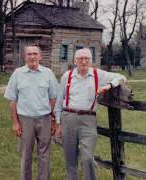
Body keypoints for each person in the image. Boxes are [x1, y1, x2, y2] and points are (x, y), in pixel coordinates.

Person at [54, 48, 126, 180]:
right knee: (70, 159)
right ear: (75, 61)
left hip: (88, 120)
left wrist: (109, 86)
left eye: (86, 58)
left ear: (91, 61)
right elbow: (59, 101)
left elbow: (122, 77)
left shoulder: (98, 74)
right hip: (68, 118)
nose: (83, 61)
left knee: (87, 158)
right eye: (80, 58)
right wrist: (58, 123)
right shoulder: (67, 76)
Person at [4, 45, 58, 180]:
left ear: (40, 56)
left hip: (44, 119)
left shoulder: (48, 73)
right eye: (29, 54)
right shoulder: (17, 73)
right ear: (24, 57)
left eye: (35, 54)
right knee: (25, 155)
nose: (32, 57)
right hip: (25, 119)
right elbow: (13, 100)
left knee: (44, 154)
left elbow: (53, 98)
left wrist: (52, 120)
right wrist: (15, 123)